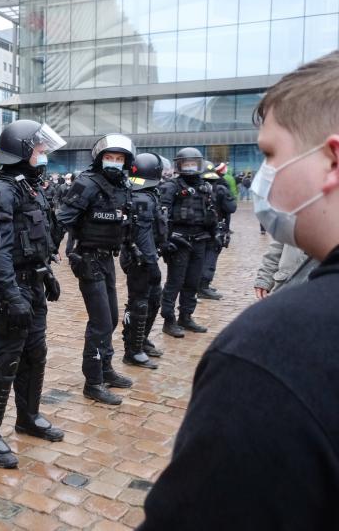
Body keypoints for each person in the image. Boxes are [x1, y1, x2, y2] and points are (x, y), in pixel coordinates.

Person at [140, 51, 339, 530]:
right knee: (169, 292)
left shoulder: (274, 349)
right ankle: (162, 322)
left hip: (202, 244)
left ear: (331, 160)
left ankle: (180, 315)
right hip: (162, 251)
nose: (265, 175)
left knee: (189, 289)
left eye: (270, 154)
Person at [0, 120, 66, 470]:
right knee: (5, 360)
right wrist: (11, 295)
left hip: (34, 282)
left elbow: (39, 237)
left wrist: (48, 273)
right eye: (40, 150)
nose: (44, 155)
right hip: (11, 285)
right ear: (23, 150)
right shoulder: (0, 189)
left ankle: (28, 416)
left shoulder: (31, 186)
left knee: (35, 353)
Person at [56, 134, 136, 405]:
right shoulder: (86, 184)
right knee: (100, 322)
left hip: (107, 258)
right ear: (100, 158)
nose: (114, 162)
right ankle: (93, 382)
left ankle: (106, 368)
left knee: (111, 318)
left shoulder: (122, 187)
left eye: (119, 158)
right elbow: (62, 219)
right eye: (109, 157)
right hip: (87, 258)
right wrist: (47, 255)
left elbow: (123, 221)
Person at [157, 148, 218, 336]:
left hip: (200, 240)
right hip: (179, 241)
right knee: (175, 282)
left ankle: (186, 316)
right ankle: (169, 320)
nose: (191, 167)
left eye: (194, 163)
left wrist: (215, 232)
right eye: (187, 164)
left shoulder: (205, 187)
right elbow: (162, 216)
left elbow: (211, 212)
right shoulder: (171, 187)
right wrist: (166, 240)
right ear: (179, 165)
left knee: (193, 282)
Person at [119, 153, 168, 369]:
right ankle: (133, 350)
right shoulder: (142, 198)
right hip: (140, 259)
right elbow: (142, 235)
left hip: (146, 257)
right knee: (139, 303)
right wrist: (151, 263)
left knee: (153, 300)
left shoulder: (144, 193)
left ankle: (141, 340)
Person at [197, 162, 237, 301]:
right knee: (210, 258)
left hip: (198, 229)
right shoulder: (220, 189)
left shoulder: (195, 189)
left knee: (199, 258)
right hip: (215, 229)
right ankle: (203, 287)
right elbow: (231, 207)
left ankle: (199, 285)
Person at [253, 239, 318, 297]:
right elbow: (276, 248)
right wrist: (264, 278)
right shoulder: (288, 226)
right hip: (285, 288)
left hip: (320, 291)